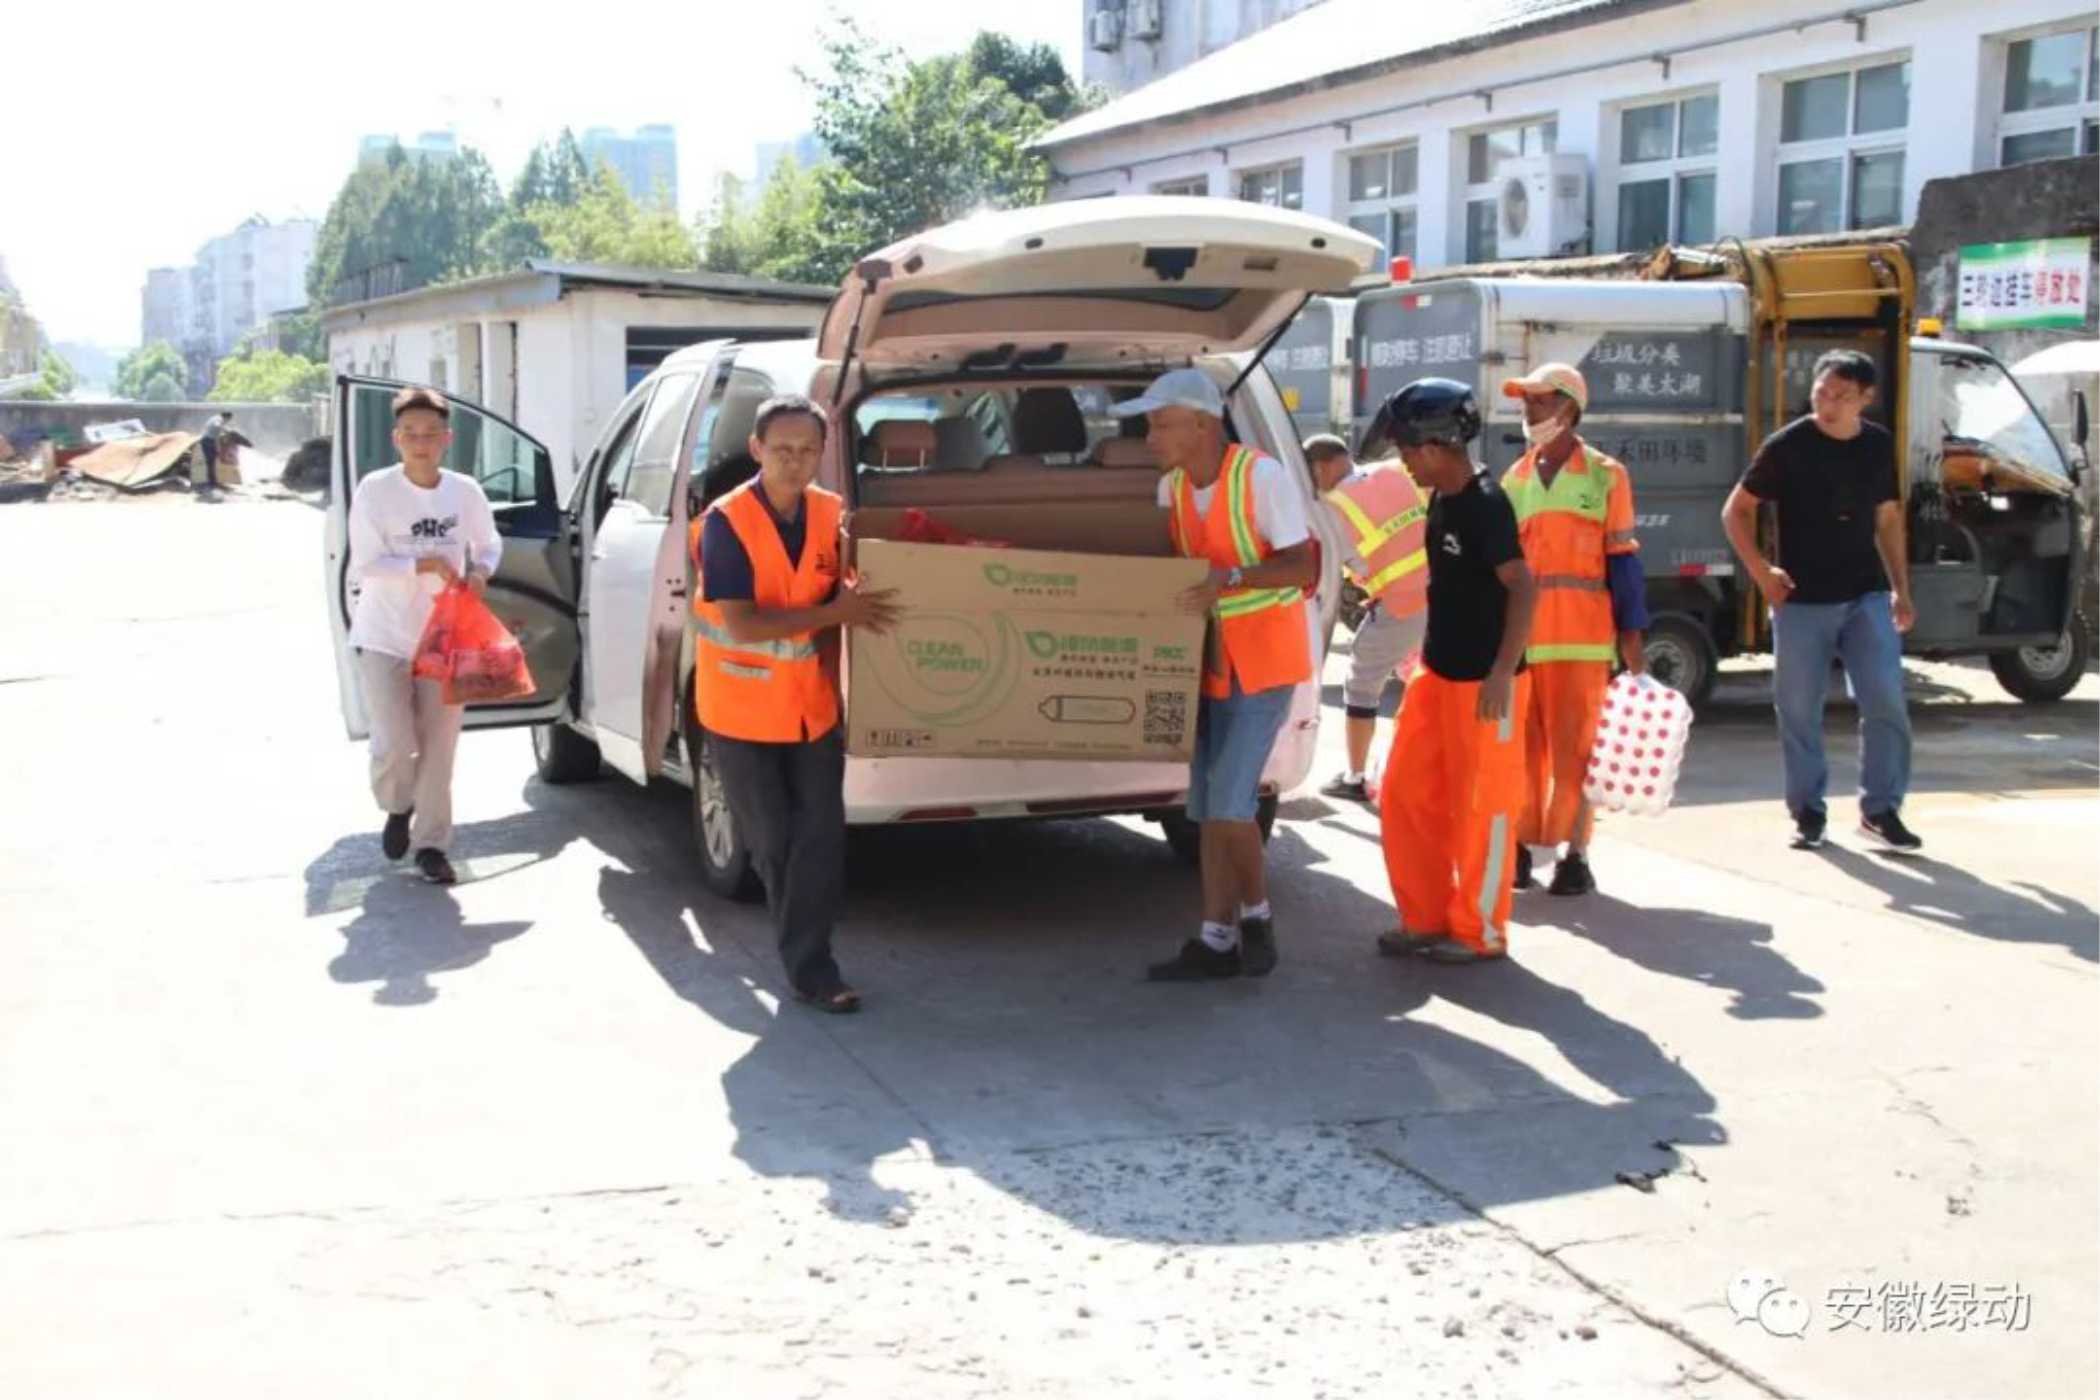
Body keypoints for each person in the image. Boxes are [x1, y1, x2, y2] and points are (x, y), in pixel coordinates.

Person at [693, 394, 899, 1013]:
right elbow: (745, 623)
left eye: (808, 450)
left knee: (820, 837)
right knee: (775, 843)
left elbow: (850, 586)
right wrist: (836, 612)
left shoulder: (831, 514)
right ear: (757, 450)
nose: (795, 462)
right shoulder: (727, 523)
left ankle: (814, 968)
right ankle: (806, 957)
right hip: (741, 712)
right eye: (782, 450)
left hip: (810, 708)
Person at [1123, 369, 1319, 982]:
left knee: (1231, 804)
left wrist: (1229, 578)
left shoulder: (1260, 477)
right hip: (1208, 662)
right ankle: (1215, 938)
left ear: (1202, 424)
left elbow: (1302, 565)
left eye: (1160, 423)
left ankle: (1257, 917)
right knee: (1207, 807)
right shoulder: (1172, 490)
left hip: (1263, 663)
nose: (1149, 436)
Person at [1365, 379, 1537, 965]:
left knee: (1483, 810)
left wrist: (1500, 674)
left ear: (1437, 445)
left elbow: (1523, 588)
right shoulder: (1441, 498)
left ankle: (1479, 931)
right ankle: (1426, 917)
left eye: (1408, 452)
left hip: (1487, 685)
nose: (1404, 464)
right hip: (1437, 676)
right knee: (1406, 795)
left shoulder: (1486, 504)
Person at [1722, 349, 1919, 852]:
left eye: (1842, 396)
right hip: (1802, 599)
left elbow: (1889, 518)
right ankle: (1808, 811)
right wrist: (1762, 572)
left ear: (1866, 399)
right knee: (1799, 709)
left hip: (1866, 594)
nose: (1829, 404)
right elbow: (1736, 511)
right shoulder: (1788, 446)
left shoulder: (1876, 446)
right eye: (1822, 393)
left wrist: (1901, 588)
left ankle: (1881, 810)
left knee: (1885, 701)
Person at [1499, 364, 1647, 896]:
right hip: (1523, 645)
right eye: (1525, 403)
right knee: (1519, 753)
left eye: (1538, 402)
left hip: (1584, 643)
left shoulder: (1607, 476)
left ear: (1568, 408)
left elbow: (1624, 564)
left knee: (1578, 755)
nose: (1528, 412)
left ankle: (1574, 855)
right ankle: (1517, 848)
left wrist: (1632, 643)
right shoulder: (1513, 481)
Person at [346, 387, 500, 886]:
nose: (421, 442)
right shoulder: (375, 490)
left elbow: (488, 544)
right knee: (394, 742)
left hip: (444, 638)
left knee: (440, 747)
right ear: (396, 439)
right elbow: (367, 562)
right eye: (411, 433)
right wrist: (424, 563)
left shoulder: (464, 491)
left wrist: (479, 573)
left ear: (446, 439)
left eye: (430, 433)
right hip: (384, 634)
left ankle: (432, 845)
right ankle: (397, 805)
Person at [1307, 433, 1430, 804]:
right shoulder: (1394, 470)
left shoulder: (1331, 508)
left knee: (1361, 684)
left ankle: (1356, 776)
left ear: (1322, 467)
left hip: (1400, 603)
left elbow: (1326, 577)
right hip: (1446, 591)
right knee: (1431, 684)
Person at [199, 410, 230, 493]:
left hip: (208, 441)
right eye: (228, 420)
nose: (227, 422)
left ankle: (213, 481)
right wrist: (225, 430)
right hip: (207, 441)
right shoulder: (218, 419)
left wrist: (225, 430)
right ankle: (211, 483)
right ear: (226, 417)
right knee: (210, 462)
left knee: (212, 462)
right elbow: (217, 426)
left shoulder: (215, 417)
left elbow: (217, 431)